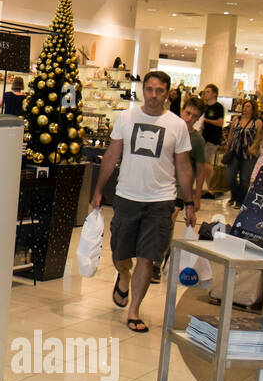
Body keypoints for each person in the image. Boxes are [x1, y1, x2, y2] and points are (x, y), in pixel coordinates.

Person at [90, 71, 196, 333]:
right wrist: (98, 190)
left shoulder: (177, 125)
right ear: (143, 90)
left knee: (148, 258)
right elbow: (112, 154)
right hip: (127, 197)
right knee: (119, 253)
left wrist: (190, 202)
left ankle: (134, 310)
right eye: (149, 89)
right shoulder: (126, 118)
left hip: (161, 201)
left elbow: (183, 166)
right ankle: (123, 275)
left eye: (159, 90)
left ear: (168, 93)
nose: (153, 95)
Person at [156, 95, 210, 282]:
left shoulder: (197, 140)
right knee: (160, 224)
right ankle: (162, 254)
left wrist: (197, 195)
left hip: (180, 189)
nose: (189, 118)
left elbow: (201, 169)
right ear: (182, 110)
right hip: (160, 183)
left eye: (194, 116)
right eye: (188, 113)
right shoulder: (168, 128)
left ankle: (157, 261)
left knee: (167, 222)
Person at [224, 99, 260, 207]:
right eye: (244, 106)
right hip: (234, 152)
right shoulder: (236, 119)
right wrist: (227, 148)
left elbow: (259, 138)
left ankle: (240, 200)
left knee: (245, 179)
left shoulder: (257, 122)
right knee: (230, 177)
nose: (245, 108)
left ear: (253, 109)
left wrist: (254, 149)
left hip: (249, 155)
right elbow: (231, 135)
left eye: (248, 106)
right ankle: (234, 196)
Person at [200, 84, 226, 196]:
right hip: (203, 137)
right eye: (205, 92)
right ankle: (205, 186)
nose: (206, 94)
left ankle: (211, 187)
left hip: (213, 138)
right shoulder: (205, 107)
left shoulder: (218, 107)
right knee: (203, 162)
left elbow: (220, 123)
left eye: (208, 92)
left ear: (214, 93)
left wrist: (205, 120)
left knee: (207, 162)